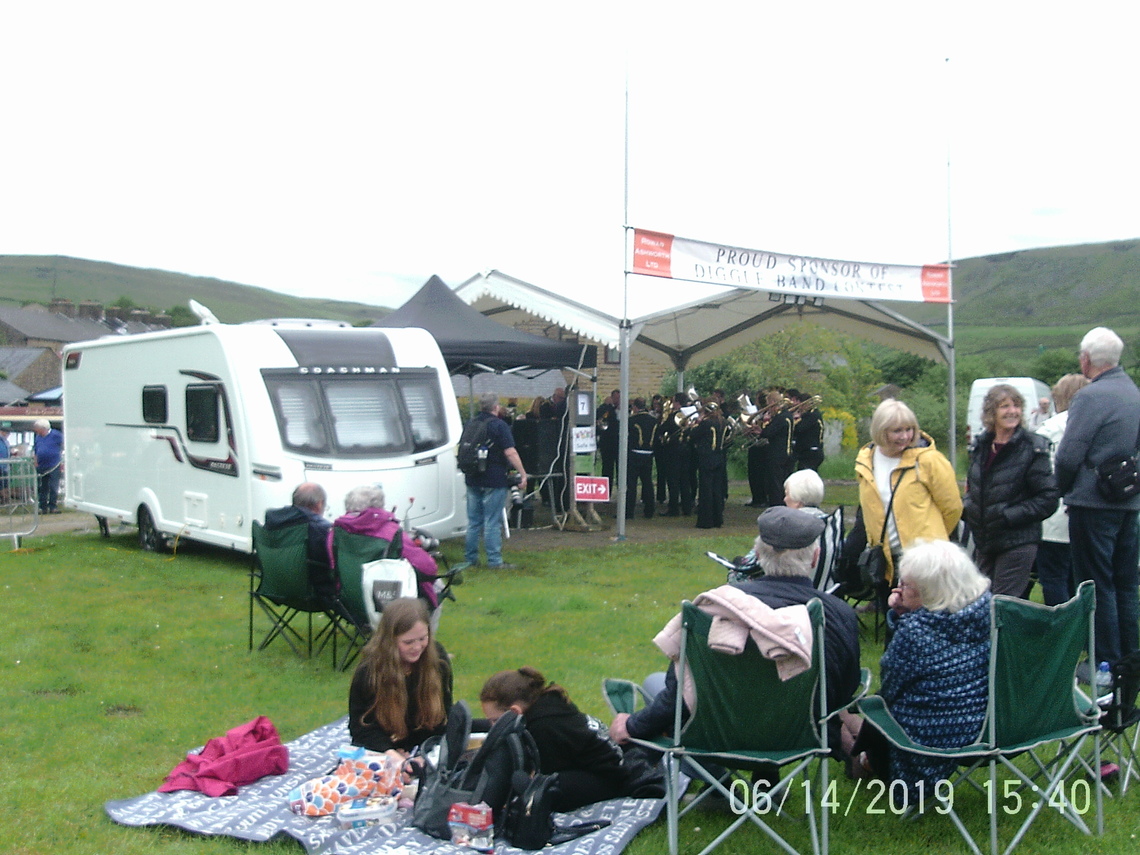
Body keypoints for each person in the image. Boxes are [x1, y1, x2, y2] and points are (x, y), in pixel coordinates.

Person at [610, 507, 861, 754]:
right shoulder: (838, 615)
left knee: (654, 683)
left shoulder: (717, 608)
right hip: (800, 737)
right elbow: (844, 691)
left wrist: (632, 725)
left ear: (758, 555)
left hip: (716, 734)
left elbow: (679, 695)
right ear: (815, 558)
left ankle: (708, 777)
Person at [848, 540, 991, 798]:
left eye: (905, 585)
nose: (898, 589)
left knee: (871, 706)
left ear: (930, 592)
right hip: (985, 727)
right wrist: (903, 615)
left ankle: (865, 762)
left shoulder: (915, 633)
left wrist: (901, 621)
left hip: (925, 739)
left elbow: (891, 688)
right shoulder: (988, 613)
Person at [1055, 327, 1140, 666]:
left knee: (1096, 584)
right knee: (1125, 583)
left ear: (1086, 359)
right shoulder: (1134, 393)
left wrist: (1063, 490)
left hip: (1092, 502)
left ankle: (1104, 662)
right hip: (1128, 500)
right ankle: (1130, 659)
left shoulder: (1089, 397)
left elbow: (1068, 456)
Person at [480, 667, 629, 811]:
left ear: (514, 711)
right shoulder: (548, 705)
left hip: (606, 779)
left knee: (540, 789)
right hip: (604, 764)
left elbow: (547, 770)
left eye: (495, 721)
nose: (493, 727)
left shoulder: (543, 727)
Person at [854, 399, 962, 590]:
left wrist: (932, 538)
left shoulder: (929, 460)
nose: (905, 436)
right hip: (886, 561)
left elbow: (952, 508)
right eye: (897, 431)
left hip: (927, 560)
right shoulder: (865, 461)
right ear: (881, 430)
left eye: (909, 429)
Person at [962, 384, 1059, 597]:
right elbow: (974, 488)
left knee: (1002, 603)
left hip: (1018, 541)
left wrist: (1009, 516)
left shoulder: (1033, 447)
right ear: (991, 412)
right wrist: (969, 509)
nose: (1012, 411)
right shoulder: (981, 446)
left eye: (1016, 406)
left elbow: (1049, 498)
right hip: (985, 541)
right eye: (1004, 406)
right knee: (980, 601)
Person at [348, 597, 452, 760]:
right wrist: (391, 753)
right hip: (383, 747)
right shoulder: (369, 671)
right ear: (390, 640)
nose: (417, 647)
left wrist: (425, 753)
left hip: (425, 746)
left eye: (423, 638)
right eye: (408, 642)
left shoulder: (438, 660)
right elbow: (361, 727)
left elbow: (444, 716)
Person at [331, 484, 440, 607]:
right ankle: (425, 619)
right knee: (438, 584)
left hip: (349, 602)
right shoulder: (390, 532)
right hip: (387, 605)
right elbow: (428, 569)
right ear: (378, 507)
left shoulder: (336, 532)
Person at [1034, 373, 1090, 605]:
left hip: (1052, 516)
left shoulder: (1048, 428)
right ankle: (1082, 622)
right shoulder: (1093, 426)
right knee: (1080, 580)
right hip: (1085, 513)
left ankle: (1059, 622)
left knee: (1053, 577)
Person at [464, 393, 527, 570]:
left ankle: (470, 559)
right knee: (492, 521)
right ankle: (494, 561)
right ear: (496, 407)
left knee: (474, 521)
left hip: (472, 477)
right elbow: (510, 452)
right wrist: (522, 473)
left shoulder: (470, 423)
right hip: (494, 478)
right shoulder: (499, 425)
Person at [264, 482, 336, 597]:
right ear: (319, 504)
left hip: (277, 586)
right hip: (314, 592)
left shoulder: (273, 520)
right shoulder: (322, 529)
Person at [690, 400, 728, 529]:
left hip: (707, 458)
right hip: (719, 457)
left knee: (706, 490)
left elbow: (693, 435)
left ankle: (706, 521)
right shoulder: (723, 422)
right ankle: (718, 519)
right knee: (717, 489)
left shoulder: (706, 423)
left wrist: (696, 423)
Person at [626, 397, 657, 519]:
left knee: (631, 484)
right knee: (647, 482)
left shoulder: (632, 420)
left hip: (634, 453)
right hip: (648, 453)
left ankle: (629, 512)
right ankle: (649, 510)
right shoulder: (654, 420)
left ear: (635, 407)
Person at [31, 418, 63, 514]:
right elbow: (36, 450)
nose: (35, 430)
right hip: (41, 466)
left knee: (53, 486)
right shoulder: (38, 437)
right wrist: (36, 461)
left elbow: (65, 444)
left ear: (43, 428)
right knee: (42, 487)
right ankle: (42, 507)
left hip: (54, 465)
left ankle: (53, 506)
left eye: (37, 428)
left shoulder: (56, 435)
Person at [792, 391, 825, 472]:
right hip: (804, 451)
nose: (800, 408)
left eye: (801, 405)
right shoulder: (808, 415)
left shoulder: (813, 415)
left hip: (811, 451)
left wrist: (796, 418)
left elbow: (799, 429)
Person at [595, 389, 621, 488]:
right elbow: (601, 418)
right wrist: (608, 406)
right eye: (616, 398)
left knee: (620, 468)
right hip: (607, 443)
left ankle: (620, 488)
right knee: (607, 468)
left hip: (620, 443)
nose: (617, 400)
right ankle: (606, 489)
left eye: (619, 398)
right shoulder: (606, 409)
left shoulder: (626, 409)